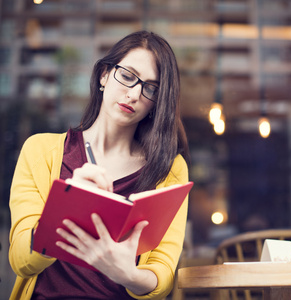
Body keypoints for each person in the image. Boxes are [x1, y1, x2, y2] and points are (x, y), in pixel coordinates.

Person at [9, 31, 190, 300]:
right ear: (104, 75)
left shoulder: (169, 169)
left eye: (151, 88)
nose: (134, 94)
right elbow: (21, 260)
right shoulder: (41, 151)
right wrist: (65, 210)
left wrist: (127, 274)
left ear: (156, 102)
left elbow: (162, 272)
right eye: (127, 76)